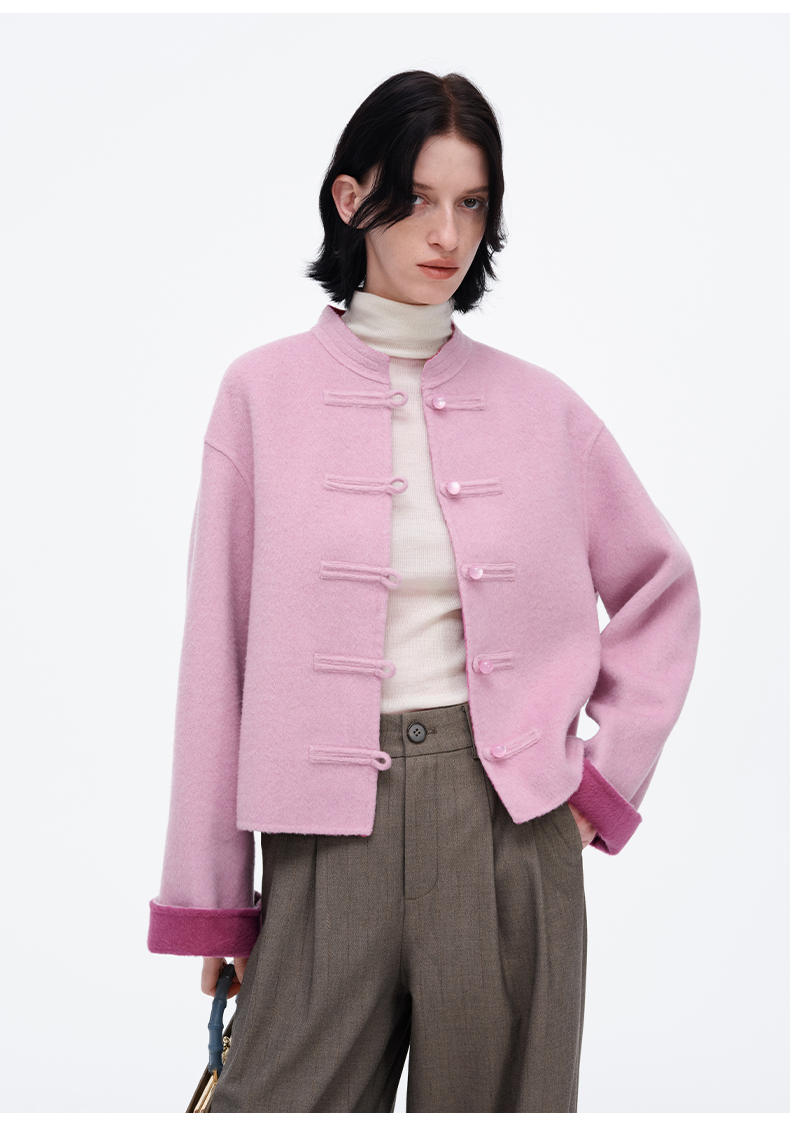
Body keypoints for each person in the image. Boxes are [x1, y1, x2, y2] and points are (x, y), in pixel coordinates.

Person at [147, 70, 701, 1113]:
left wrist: (593, 790)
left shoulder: (545, 410)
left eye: (472, 203)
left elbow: (660, 588)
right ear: (351, 199)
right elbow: (215, 652)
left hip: (504, 828)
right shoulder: (258, 394)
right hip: (321, 844)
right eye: (417, 199)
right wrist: (213, 899)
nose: (448, 234)